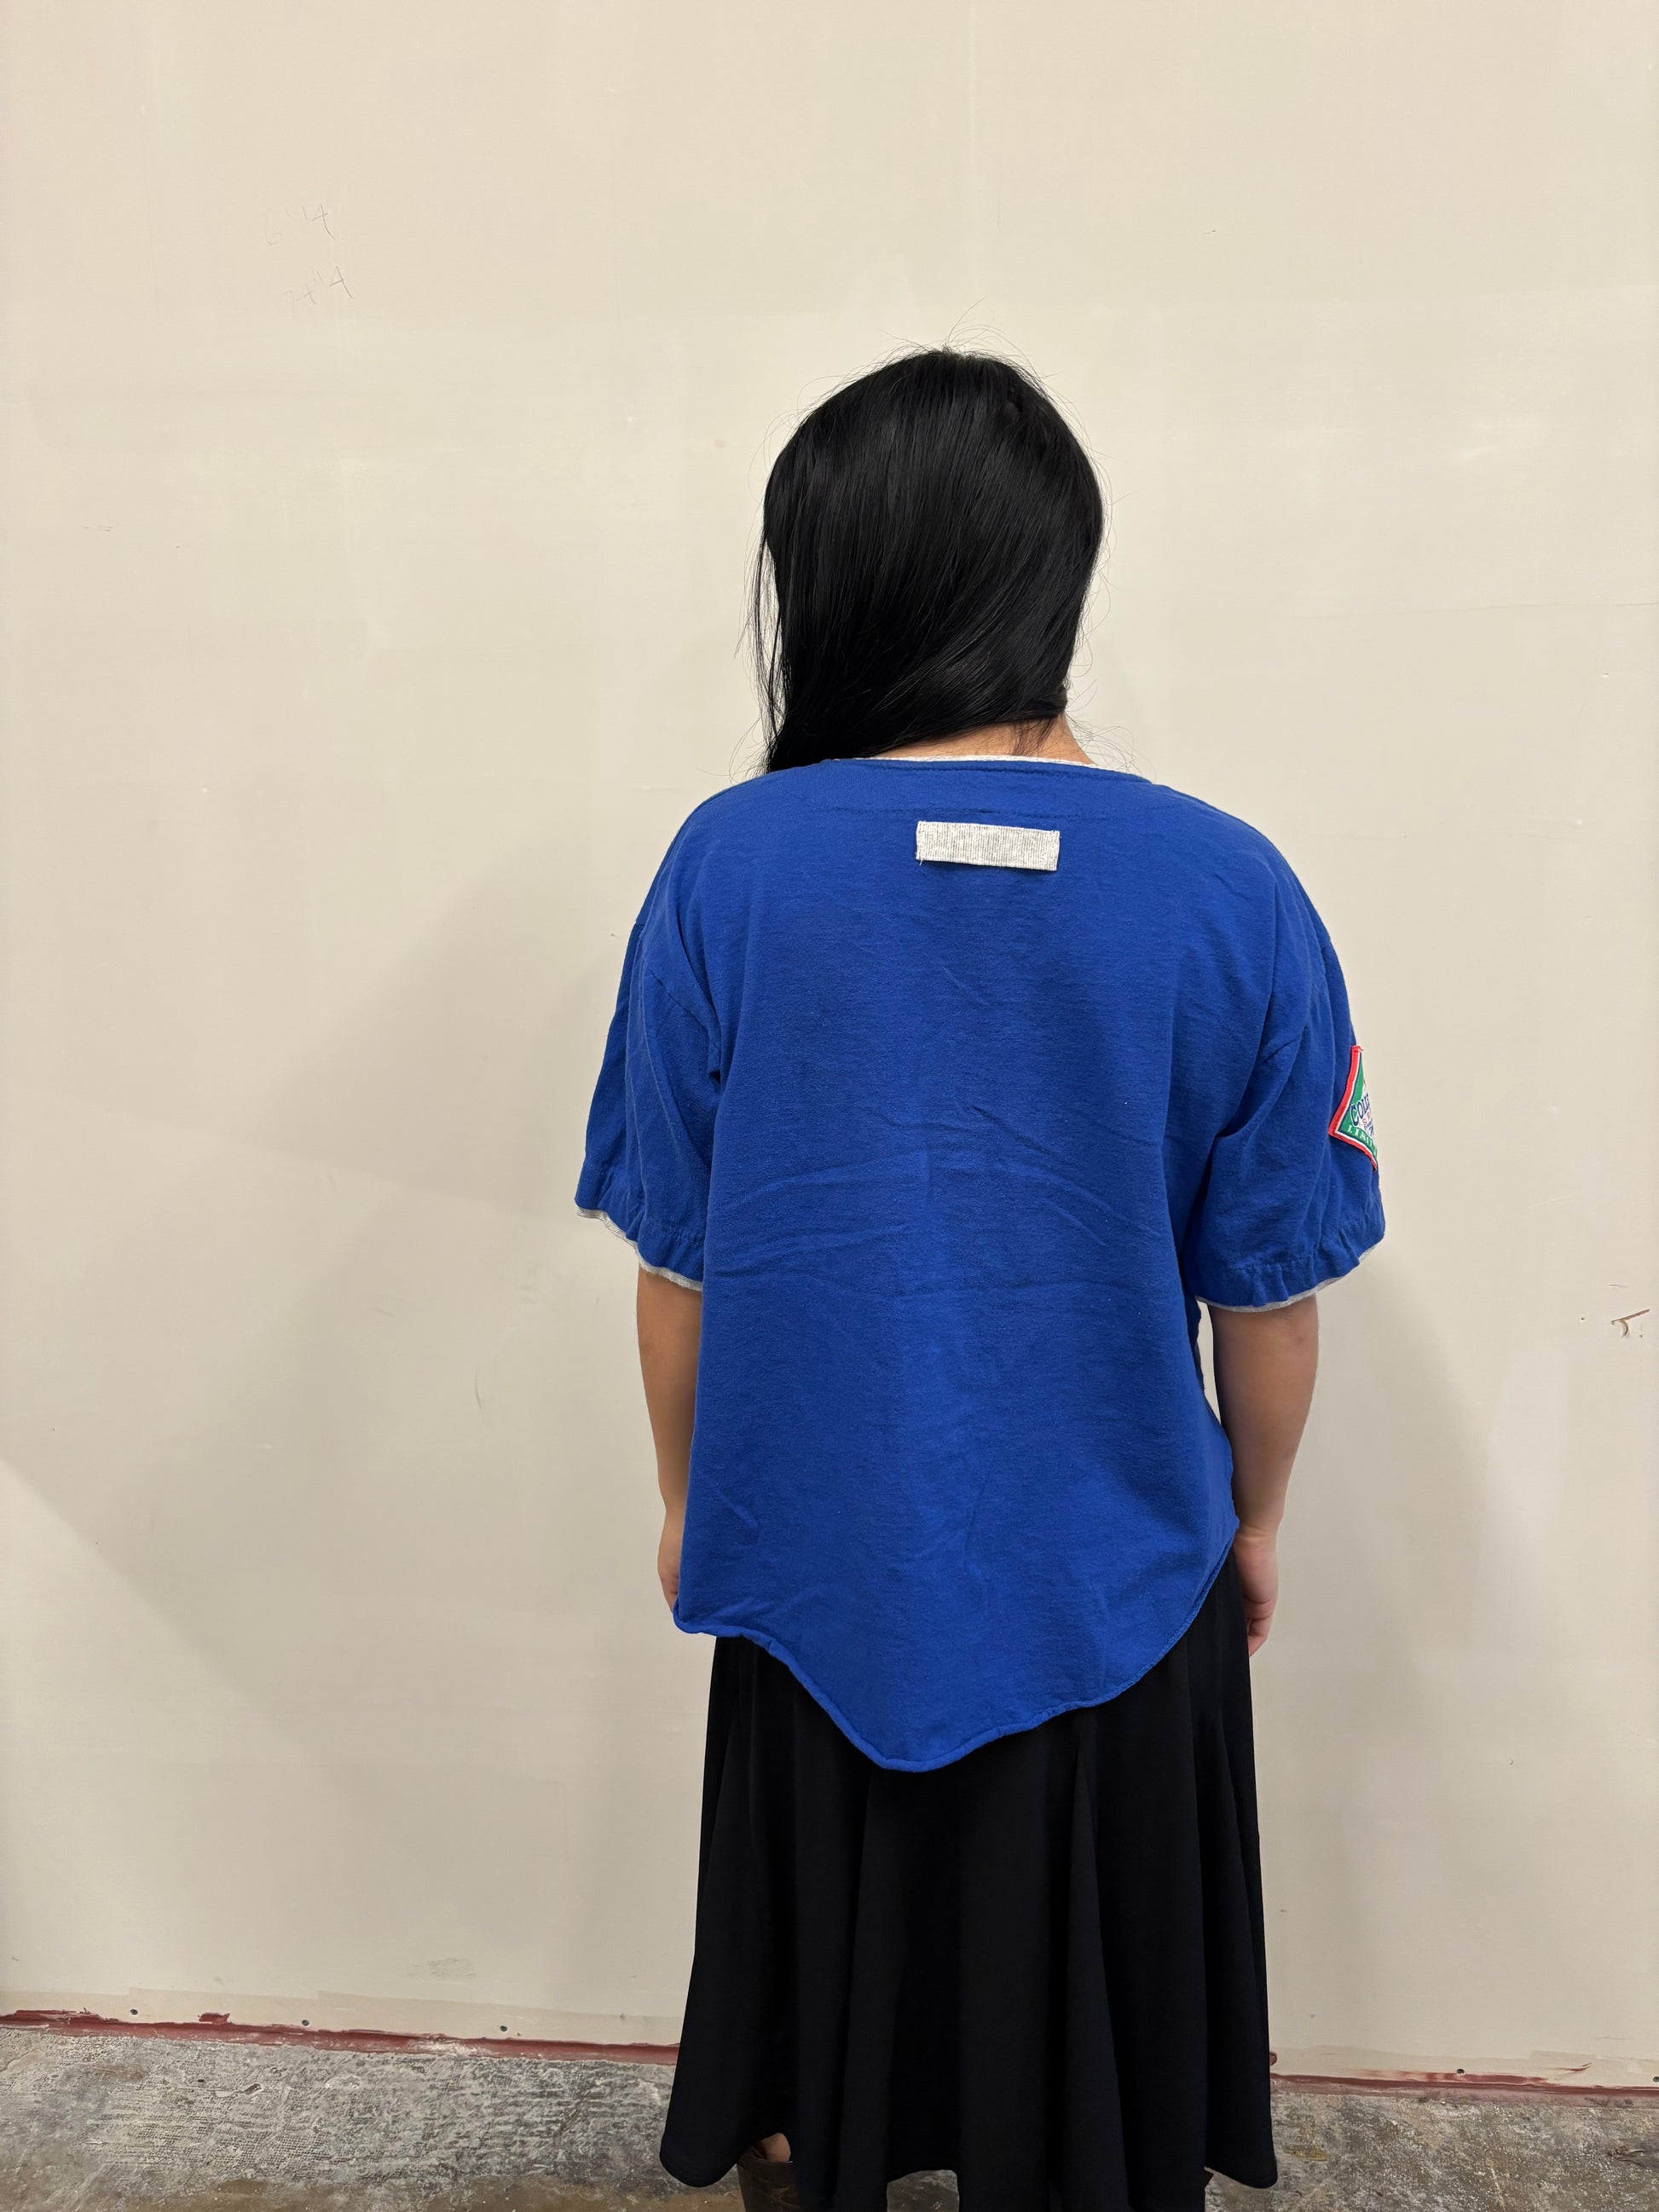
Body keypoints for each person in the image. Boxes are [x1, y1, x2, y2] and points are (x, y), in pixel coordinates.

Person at [575, 349, 1384, 2212]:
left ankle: (811, 2149)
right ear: (1053, 575)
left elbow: (680, 1270)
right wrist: (1255, 1520)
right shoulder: (1231, 887)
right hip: (1123, 1586)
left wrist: (692, 1498)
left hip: (820, 1566)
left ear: (829, 578)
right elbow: (1268, 1297)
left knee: (817, 2037)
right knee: (1100, 2077)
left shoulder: (726, 867)